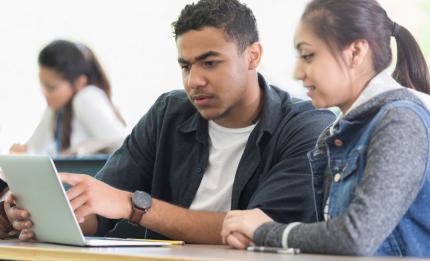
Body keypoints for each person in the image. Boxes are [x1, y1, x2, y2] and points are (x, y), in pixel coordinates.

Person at [0, 0, 334, 243]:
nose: (194, 81)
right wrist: (45, 217)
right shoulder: (169, 113)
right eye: (186, 66)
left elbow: (261, 230)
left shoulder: (307, 127)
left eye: (210, 63)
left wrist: (134, 206)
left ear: (253, 56)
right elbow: (99, 214)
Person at [221, 0, 430, 256]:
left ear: (355, 52)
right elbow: (334, 235)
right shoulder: (343, 130)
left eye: (308, 55)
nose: (297, 72)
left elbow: (355, 237)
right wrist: (258, 234)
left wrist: (265, 230)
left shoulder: (400, 122)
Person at [9, 40, 127, 156]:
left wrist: (78, 151)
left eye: (51, 87)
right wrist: (23, 151)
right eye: (42, 85)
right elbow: (34, 147)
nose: (45, 93)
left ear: (80, 82)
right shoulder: (58, 107)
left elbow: (120, 141)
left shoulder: (85, 97)